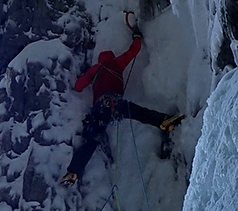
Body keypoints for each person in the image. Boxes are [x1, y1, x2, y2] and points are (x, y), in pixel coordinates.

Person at [60, 25, 183, 186]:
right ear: (110, 57)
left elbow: (78, 85)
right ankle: (163, 121)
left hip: (97, 110)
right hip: (112, 102)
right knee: (137, 112)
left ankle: (73, 172)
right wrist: (137, 36)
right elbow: (133, 51)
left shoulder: (95, 70)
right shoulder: (115, 63)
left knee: (91, 140)